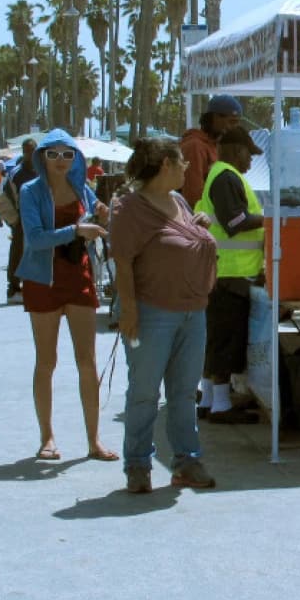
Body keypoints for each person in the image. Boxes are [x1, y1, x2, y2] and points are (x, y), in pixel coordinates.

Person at [110, 136, 218, 493]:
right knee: (143, 393)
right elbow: (122, 263)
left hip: (192, 313)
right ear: (166, 165)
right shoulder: (130, 208)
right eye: (182, 163)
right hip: (151, 314)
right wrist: (128, 311)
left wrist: (198, 223)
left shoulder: (179, 201)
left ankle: (187, 461)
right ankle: (138, 465)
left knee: (184, 394)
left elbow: (182, 237)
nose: (187, 169)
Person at [15, 129, 117, 462]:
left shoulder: (82, 189)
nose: (60, 161)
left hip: (79, 276)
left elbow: (100, 223)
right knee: (46, 361)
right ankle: (46, 437)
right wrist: (76, 229)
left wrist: (102, 215)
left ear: (77, 158)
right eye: (53, 154)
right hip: (43, 278)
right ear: (41, 157)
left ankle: (94, 440)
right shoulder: (31, 191)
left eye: (67, 154)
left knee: (87, 361)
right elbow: (35, 237)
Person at [194, 126, 266, 424]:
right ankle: (221, 406)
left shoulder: (219, 174)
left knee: (216, 338)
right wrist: (272, 219)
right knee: (226, 341)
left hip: (225, 270)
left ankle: (210, 398)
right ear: (237, 150)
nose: (251, 161)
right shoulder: (226, 176)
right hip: (231, 273)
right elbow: (235, 221)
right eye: (250, 154)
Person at [179, 94, 243, 207]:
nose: (234, 128)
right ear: (214, 118)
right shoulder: (195, 146)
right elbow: (193, 196)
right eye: (231, 122)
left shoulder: (215, 145)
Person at [3, 139, 39, 303]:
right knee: (18, 251)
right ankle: (14, 288)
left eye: (33, 150)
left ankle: (37, 287)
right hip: (22, 219)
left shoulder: (43, 170)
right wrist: (14, 219)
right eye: (27, 151)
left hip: (41, 217)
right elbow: (6, 197)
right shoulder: (16, 173)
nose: (30, 154)